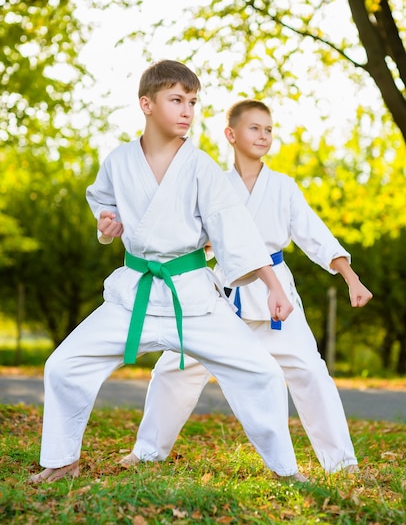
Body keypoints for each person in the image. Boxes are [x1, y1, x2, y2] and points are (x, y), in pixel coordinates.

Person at [29, 62, 308, 484]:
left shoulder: (200, 166)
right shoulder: (119, 161)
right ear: (147, 104)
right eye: (176, 100)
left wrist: (271, 285)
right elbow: (105, 205)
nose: (187, 111)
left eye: (192, 102)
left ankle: (286, 471)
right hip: (133, 296)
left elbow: (235, 230)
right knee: (64, 365)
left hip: (192, 298)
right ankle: (62, 459)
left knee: (262, 371)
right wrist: (108, 224)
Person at [123, 98, 373, 475]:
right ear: (231, 134)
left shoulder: (284, 188)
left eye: (269, 129)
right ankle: (146, 452)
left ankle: (341, 462)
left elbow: (315, 237)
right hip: (221, 295)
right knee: (174, 370)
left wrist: (350, 277)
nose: (263, 135)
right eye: (254, 128)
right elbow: (183, 235)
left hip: (277, 300)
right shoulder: (212, 184)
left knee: (310, 372)